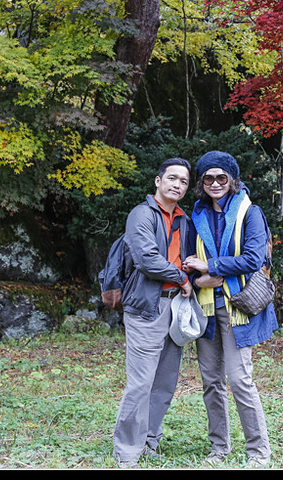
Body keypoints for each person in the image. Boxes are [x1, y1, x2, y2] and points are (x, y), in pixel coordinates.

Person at [183, 150, 277, 467]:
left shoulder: (251, 213)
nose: (215, 183)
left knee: (239, 380)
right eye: (208, 178)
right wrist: (198, 282)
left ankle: (258, 452)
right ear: (201, 182)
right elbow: (187, 262)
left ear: (232, 180)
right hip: (206, 307)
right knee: (211, 382)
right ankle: (218, 449)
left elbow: (254, 259)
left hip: (238, 306)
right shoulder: (196, 214)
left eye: (221, 177)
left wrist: (211, 267)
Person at [112, 158, 194, 468]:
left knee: (165, 382)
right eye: (171, 178)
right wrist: (182, 277)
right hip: (147, 307)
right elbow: (147, 259)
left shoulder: (184, 220)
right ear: (157, 181)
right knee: (141, 382)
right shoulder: (141, 215)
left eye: (183, 181)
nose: (177, 184)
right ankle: (127, 452)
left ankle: (150, 441)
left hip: (177, 307)